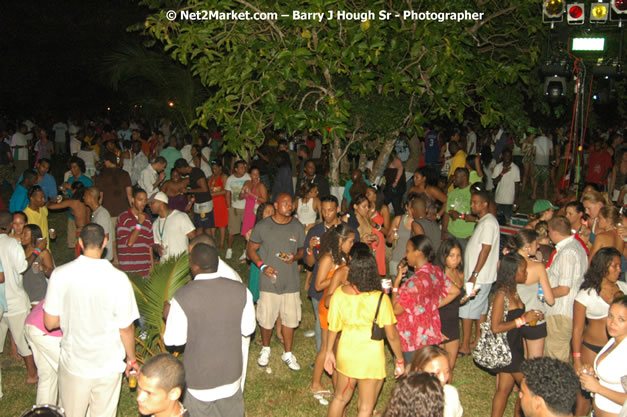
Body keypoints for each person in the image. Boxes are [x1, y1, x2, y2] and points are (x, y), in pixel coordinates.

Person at [44, 223, 140, 417]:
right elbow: (126, 328)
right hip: (108, 363)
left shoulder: (60, 274)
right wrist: (132, 359)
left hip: (75, 362)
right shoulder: (119, 278)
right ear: (105, 242)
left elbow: (50, 323)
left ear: (80, 242)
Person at [164, 243, 255, 416]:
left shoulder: (182, 296)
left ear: (193, 266)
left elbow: (174, 340)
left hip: (198, 383)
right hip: (231, 377)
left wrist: (169, 316)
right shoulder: (241, 290)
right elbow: (248, 329)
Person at [324, 250, 405, 417]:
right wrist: (400, 359)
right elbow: (392, 335)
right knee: (366, 407)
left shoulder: (339, 293)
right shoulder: (380, 298)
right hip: (371, 357)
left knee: (340, 398)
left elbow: (333, 327)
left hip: (346, 351)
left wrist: (328, 352)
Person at [247, 193, 305, 370]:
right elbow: (251, 250)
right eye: (285, 203)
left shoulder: (297, 226)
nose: (289, 206)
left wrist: (296, 257)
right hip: (269, 281)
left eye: (291, 203)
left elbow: (302, 250)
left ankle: (288, 353)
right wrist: (262, 266)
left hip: (290, 281)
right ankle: (266, 348)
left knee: (290, 319)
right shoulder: (263, 226)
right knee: (266, 318)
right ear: (276, 205)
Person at [490, 253, 545, 417]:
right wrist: (523, 319)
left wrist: (531, 315)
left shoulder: (513, 290)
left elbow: (514, 317)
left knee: (504, 389)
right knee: (529, 387)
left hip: (515, 345)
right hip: (508, 350)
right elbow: (495, 327)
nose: (526, 273)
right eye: (523, 270)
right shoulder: (502, 295)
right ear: (513, 272)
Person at [303, 195, 359, 352]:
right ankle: (323, 357)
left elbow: (355, 256)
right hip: (320, 290)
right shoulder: (315, 231)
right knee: (323, 328)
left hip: (342, 292)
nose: (326, 214)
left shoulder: (348, 232)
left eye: (330, 210)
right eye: (323, 210)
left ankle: (336, 358)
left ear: (338, 209)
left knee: (339, 329)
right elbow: (309, 263)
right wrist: (310, 249)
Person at [310, 224, 355, 396]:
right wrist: (338, 277)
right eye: (350, 241)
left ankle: (337, 385)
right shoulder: (328, 258)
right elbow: (318, 285)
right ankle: (315, 384)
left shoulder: (343, 257)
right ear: (340, 240)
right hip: (327, 306)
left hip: (339, 305)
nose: (352, 244)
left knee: (335, 346)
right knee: (325, 347)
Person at [392, 235, 450, 362]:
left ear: (418, 253)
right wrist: (432, 305)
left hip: (412, 340)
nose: (406, 254)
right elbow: (453, 290)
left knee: (413, 373)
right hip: (431, 335)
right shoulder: (435, 271)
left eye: (408, 251)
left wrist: (396, 285)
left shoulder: (414, 283)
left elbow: (396, 310)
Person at [458, 189, 500, 357]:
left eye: (475, 202)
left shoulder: (489, 223)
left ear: (484, 204)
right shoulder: (484, 221)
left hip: (480, 276)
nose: (472, 205)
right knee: (480, 310)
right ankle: (478, 340)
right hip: (481, 276)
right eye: (472, 202)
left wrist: (474, 275)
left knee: (467, 310)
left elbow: (486, 249)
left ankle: (465, 346)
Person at [573, 247, 626, 374]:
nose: (619, 270)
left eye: (620, 266)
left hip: (619, 348)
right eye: (615, 266)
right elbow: (577, 330)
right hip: (592, 348)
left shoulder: (624, 288)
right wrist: (576, 359)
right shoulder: (586, 294)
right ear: (602, 266)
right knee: (588, 383)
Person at [0, 211, 38, 384]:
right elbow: (22, 267)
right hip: (15, 300)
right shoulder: (12, 244)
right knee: (24, 341)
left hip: (1, 301)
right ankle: (32, 374)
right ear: (9, 225)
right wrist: (36, 251)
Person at [544, 216, 589, 361]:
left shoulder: (567, 253)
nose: (548, 235)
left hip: (561, 311)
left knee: (555, 356)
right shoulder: (577, 246)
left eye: (549, 231)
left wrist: (543, 294)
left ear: (555, 232)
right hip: (568, 310)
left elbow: (564, 289)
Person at [578, 296, 627, 417]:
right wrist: (592, 373)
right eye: (610, 316)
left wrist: (598, 388)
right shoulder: (614, 340)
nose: (612, 323)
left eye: (621, 319)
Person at [510, 230, 556, 359]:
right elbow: (550, 300)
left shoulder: (507, 263)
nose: (539, 246)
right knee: (535, 360)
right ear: (527, 246)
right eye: (536, 243)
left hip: (514, 318)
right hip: (534, 318)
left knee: (520, 357)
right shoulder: (537, 267)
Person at [434, 238, 465, 380]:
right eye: (451, 255)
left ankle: (447, 392)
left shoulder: (460, 274)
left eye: (458, 255)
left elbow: (456, 301)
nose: (456, 259)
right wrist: (435, 328)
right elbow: (432, 304)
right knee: (438, 367)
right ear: (444, 256)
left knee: (450, 367)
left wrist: (467, 296)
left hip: (453, 323)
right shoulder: (438, 275)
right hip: (439, 321)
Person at [95, 151, 133, 261]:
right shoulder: (124, 174)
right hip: (123, 210)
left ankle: (116, 259)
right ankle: (126, 257)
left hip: (108, 211)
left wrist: (97, 211)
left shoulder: (102, 176)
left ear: (107, 161)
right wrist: (133, 209)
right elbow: (129, 195)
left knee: (112, 237)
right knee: (124, 234)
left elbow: (100, 196)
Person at [24, 299, 63, 405]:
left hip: (33, 323)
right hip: (47, 331)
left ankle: (45, 411)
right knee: (72, 377)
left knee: (47, 376)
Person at [409, 345, 463, 417]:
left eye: (447, 371)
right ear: (419, 371)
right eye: (437, 373)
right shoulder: (407, 402)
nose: (443, 379)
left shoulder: (451, 393)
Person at [117, 187, 154, 278]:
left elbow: (149, 245)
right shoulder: (123, 218)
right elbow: (130, 243)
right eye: (140, 200)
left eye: (145, 200)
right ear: (133, 200)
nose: (143, 203)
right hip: (129, 271)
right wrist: (139, 223)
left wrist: (152, 265)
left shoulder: (147, 219)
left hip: (145, 271)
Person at [47, 182, 90, 258]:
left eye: (71, 190)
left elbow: (51, 207)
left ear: (74, 190)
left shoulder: (73, 202)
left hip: (81, 231)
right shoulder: (87, 201)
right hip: (89, 230)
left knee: (80, 256)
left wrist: (51, 200)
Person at [149, 192, 196, 262]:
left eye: (151, 203)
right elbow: (156, 244)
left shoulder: (180, 216)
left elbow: (194, 237)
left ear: (160, 202)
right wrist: (157, 248)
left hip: (181, 263)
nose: (149, 206)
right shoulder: (155, 224)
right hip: (165, 265)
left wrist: (192, 257)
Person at [174, 158, 213, 237]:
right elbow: (195, 191)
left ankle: (211, 243)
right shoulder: (192, 174)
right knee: (199, 226)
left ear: (182, 168)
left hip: (204, 203)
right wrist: (190, 203)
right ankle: (197, 242)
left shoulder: (197, 172)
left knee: (206, 227)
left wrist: (188, 190)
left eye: (179, 170)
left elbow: (204, 189)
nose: (180, 173)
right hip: (198, 203)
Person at [350, 194, 385, 276]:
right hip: (359, 258)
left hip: (369, 253)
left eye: (368, 206)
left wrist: (375, 236)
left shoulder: (365, 217)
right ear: (355, 206)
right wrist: (360, 240)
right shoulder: (352, 220)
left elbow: (368, 232)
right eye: (364, 206)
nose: (367, 209)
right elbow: (347, 241)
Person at [442, 168, 476, 251]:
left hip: (466, 235)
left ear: (464, 177)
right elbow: (447, 213)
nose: (453, 178)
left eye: (456, 176)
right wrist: (444, 231)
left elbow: (478, 217)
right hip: (451, 233)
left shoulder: (473, 192)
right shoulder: (452, 193)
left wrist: (474, 234)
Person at [21, 224, 54, 304]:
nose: (22, 237)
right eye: (22, 233)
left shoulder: (43, 253)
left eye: (25, 234)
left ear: (33, 237)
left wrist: (43, 268)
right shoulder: (20, 252)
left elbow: (52, 274)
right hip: (24, 296)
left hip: (39, 295)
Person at [225, 160, 250, 260]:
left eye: (244, 167)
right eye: (241, 167)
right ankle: (229, 249)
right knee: (232, 230)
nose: (244, 169)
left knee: (246, 231)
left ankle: (245, 250)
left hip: (246, 208)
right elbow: (227, 193)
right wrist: (229, 207)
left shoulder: (248, 177)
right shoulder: (230, 179)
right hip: (234, 208)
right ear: (236, 169)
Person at [82, 186, 114, 261]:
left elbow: (105, 236)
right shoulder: (96, 212)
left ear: (91, 196)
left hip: (103, 257)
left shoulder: (102, 214)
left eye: (85, 195)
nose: (83, 197)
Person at [387, 197, 415, 274]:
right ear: (406, 207)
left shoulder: (420, 223)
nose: (413, 210)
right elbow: (388, 240)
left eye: (414, 207)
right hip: (396, 259)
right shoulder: (398, 220)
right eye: (411, 207)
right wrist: (391, 237)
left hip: (412, 264)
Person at [492, 149, 520, 224]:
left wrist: (516, 199)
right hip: (499, 199)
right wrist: (502, 173)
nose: (507, 157)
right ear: (502, 156)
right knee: (497, 221)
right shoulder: (498, 167)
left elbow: (517, 185)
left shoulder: (515, 168)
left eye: (509, 156)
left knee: (507, 221)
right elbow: (494, 182)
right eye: (506, 155)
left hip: (509, 200)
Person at [241, 166, 269, 238]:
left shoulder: (261, 185)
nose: (256, 176)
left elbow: (265, 200)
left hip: (256, 212)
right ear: (250, 175)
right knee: (246, 233)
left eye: (257, 174)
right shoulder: (247, 183)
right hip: (248, 211)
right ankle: (246, 245)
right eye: (254, 174)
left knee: (255, 233)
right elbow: (240, 197)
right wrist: (243, 191)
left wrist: (252, 194)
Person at [208, 161, 228, 247]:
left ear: (220, 168)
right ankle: (213, 240)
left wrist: (214, 194)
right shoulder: (211, 178)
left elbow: (226, 191)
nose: (214, 170)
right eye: (212, 169)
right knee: (212, 223)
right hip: (212, 203)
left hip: (221, 202)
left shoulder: (223, 177)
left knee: (221, 224)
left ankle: (222, 243)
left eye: (215, 168)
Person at [532, 130, 553, 200]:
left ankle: (534, 194)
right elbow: (551, 153)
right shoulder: (549, 141)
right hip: (545, 162)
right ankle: (545, 195)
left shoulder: (536, 140)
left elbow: (533, 152)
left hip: (537, 161)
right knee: (545, 180)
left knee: (536, 179)